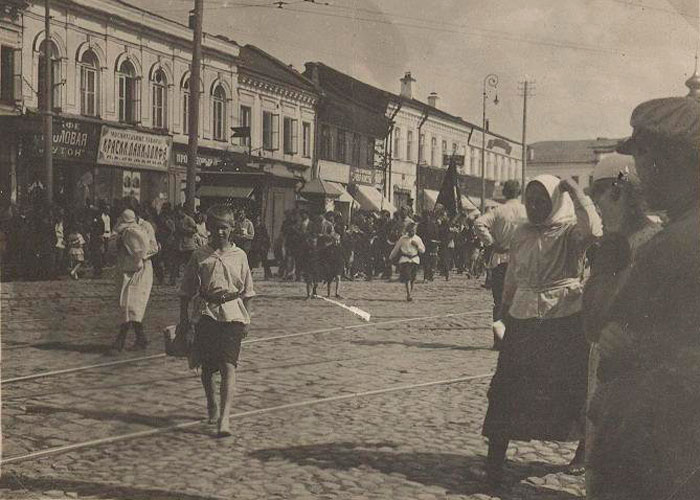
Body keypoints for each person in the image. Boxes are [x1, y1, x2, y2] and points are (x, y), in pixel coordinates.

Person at [587, 92, 700, 500]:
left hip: (661, 443)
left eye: (645, 158)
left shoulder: (676, 243)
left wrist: (614, 239)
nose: (640, 172)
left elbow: (598, 318)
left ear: (678, 160)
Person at [477, 175, 602, 488]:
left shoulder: (569, 231)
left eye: (541, 201)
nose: (534, 207)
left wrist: (574, 191)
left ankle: (584, 450)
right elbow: (514, 276)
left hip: (564, 316)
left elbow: (596, 231)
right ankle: (495, 458)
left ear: (554, 202)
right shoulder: (521, 232)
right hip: (523, 316)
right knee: (506, 385)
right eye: (530, 201)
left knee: (571, 386)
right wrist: (504, 313)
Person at [582, 155, 661, 495]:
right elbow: (592, 323)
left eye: (604, 192)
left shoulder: (656, 242)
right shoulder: (610, 242)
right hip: (606, 364)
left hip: (644, 372)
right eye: (594, 193)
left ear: (626, 192)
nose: (598, 203)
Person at [178, 204, 255, 437]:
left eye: (224, 228)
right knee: (208, 368)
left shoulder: (240, 256)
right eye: (215, 228)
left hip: (233, 315)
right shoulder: (199, 255)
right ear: (208, 228)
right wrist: (184, 321)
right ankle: (211, 404)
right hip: (206, 314)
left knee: (228, 366)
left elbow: (248, 291)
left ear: (232, 228)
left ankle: (225, 418)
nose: (220, 232)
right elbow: (186, 291)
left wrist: (247, 320)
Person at [474, 180, 527, 349]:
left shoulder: (498, 211)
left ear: (504, 193)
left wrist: (490, 242)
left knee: (499, 301)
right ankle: (518, 340)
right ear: (519, 193)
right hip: (522, 261)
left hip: (501, 260)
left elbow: (478, 223)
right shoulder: (527, 211)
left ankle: (499, 340)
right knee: (521, 301)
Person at [110, 203, 159, 353]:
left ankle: (120, 341)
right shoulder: (121, 225)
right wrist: (118, 244)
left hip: (141, 270)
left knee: (133, 305)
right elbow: (112, 241)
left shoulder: (146, 227)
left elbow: (154, 248)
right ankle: (141, 338)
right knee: (124, 303)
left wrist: (139, 255)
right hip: (124, 268)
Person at [389, 222, 425, 302]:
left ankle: (410, 292)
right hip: (405, 260)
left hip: (415, 260)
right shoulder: (403, 239)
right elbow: (396, 248)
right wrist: (391, 256)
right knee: (407, 277)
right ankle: (409, 294)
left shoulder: (418, 239)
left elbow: (423, 250)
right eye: (411, 230)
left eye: (414, 230)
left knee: (413, 278)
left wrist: (417, 246)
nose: (412, 232)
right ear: (408, 230)